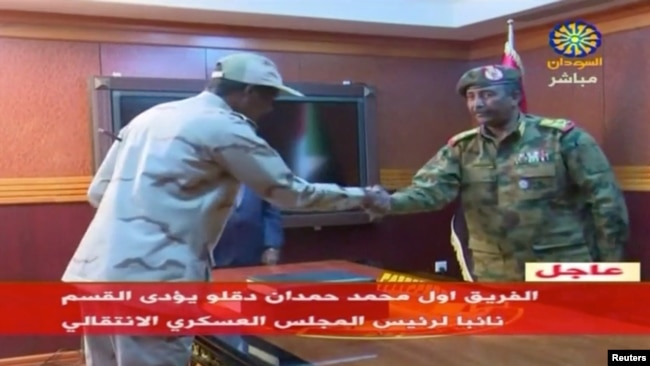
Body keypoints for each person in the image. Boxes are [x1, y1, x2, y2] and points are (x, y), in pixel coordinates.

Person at [62, 52, 382, 366]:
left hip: (96, 275)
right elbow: (290, 193)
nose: (270, 108)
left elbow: (98, 192)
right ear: (246, 91)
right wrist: (363, 196)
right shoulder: (226, 127)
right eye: (269, 97)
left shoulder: (150, 116)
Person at [364, 64, 629, 282]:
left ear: (515, 97)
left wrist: (609, 268)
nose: (477, 104)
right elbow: (430, 191)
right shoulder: (462, 148)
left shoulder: (562, 139)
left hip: (560, 267)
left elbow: (607, 203)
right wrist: (390, 202)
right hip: (495, 271)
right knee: (501, 344)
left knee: (572, 342)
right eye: (471, 97)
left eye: (487, 95)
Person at [211, 185, 284, 268]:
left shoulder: (259, 177)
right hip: (215, 254)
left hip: (251, 253)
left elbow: (271, 211)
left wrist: (271, 246)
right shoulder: (210, 177)